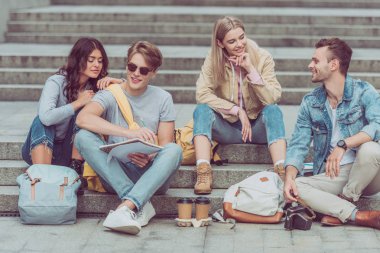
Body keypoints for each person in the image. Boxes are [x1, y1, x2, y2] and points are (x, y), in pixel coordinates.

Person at [74, 41, 182, 235]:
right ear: (126, 65)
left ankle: (127, 206)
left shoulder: (163, 98)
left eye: (143, 70)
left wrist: (150, 157)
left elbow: (166, 145)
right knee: (82, 137)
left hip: (152, 174)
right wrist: (130, 133)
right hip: (116, 173)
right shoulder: (111, 94)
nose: (136, 73)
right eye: (132, 67)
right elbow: (83, 118)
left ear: (154, 72)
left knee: (174, 150)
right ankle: (137, 204)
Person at [284, 38, 380, 229]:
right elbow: (298, 144)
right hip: (335, 174)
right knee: (298, 186)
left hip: (369, 172)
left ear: (334, 64)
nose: (310, 65)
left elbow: (377, 124)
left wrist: (343, 144)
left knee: (370, 149)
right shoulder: (311, 102)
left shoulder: (363, 91)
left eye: (316, 61)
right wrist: (289, 177)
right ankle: (358, 215)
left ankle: (345, 200)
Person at [193, 16, 286, 194]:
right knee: (201, 110)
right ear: (220, 43)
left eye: (241, 37)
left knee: (273, 111)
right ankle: (203, 172)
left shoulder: (262, 57)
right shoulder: (213, 60)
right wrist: (237, 111)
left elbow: (273, 97)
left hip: (257, 128)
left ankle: (281, 172)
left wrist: (251, 70)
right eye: (232, 41)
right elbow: (202, 94)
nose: (239, 44)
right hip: (228, 128)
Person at [21, 37, 109, 176]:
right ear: (78, 59)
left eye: (100, 60)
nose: (97, 64)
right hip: (42, 147)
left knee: (85, 114)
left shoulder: (95, 87)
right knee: (40, 120)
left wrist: (116, 81)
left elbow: (127, 92)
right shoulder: (56, 82)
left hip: (69, 152)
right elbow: (46, 118)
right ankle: (42, 174)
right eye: (91, 60)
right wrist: (78, 102)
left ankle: (75, 167)